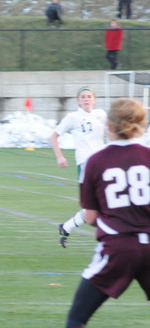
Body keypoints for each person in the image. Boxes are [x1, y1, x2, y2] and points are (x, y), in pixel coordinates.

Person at [39, 98, 150, 328]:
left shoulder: (97, 162)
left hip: (118, 248)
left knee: (78, 315)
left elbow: (90, 217)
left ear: (109, 125)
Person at [50, 87, 107, 247]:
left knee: (104, 202)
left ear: (94, 99)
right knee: (96, 205)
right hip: (86, 165)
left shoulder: (101, 114)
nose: (86, 99)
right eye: (83, 97)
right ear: (78, 100)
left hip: (103, 164)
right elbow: (53, 136)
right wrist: (59, 156)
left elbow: (111, 132)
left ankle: (66, 227)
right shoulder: (73, 117)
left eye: (89, 96)